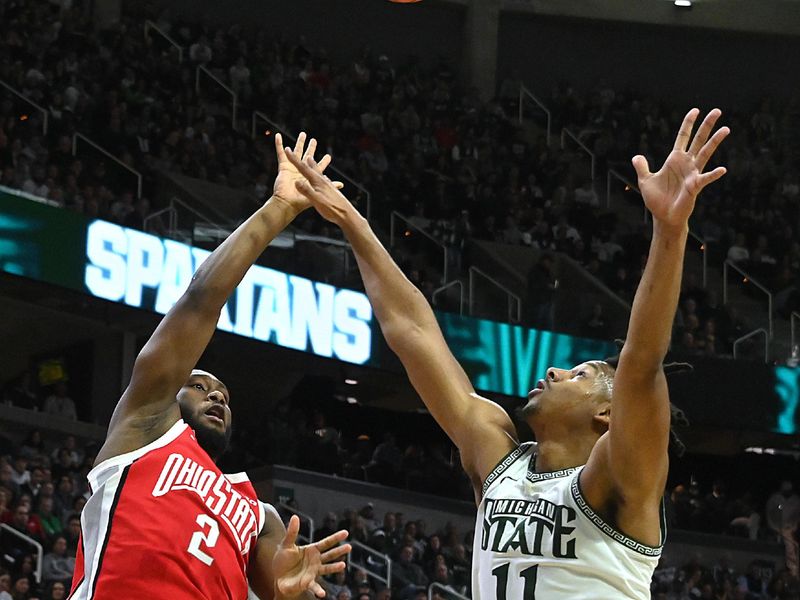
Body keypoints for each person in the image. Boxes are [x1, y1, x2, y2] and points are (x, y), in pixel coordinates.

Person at [285, 108, 729, 599]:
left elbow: (642, 363)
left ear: (608, 412)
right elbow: (412, 331)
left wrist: (669, 230)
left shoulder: (618, 477)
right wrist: (350, 219)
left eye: (580, 374)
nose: (555, 370)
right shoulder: (498, 458)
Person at [69, 133, 351, 600]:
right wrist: (279, 209)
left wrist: (290, 593)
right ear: (173, 396)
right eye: (199, 385)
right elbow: (201, 300)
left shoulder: (261, 517)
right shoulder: (146, 427)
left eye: (224, 394)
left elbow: (285, 590)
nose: (217, 395)